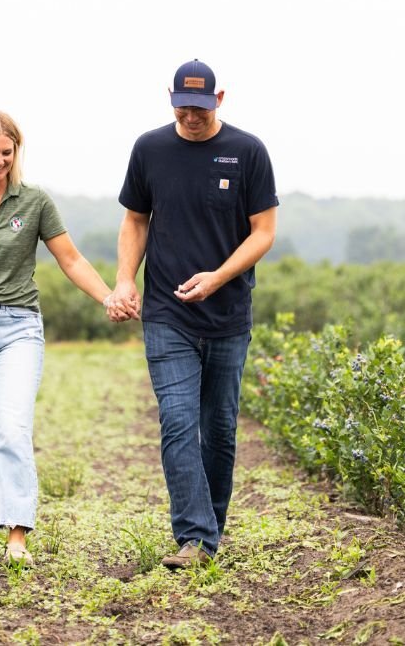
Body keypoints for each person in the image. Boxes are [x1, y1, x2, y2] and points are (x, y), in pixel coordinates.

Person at [0, 110, 131, 566]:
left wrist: (106, 297)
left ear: (16, 152)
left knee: (14, 427)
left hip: (19, 324)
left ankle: (17, 534)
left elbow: (71, 259)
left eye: (7, 153)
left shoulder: (35, 201)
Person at [107, 59, 278, 569]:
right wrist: (123, 280)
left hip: (228, 315)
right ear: (170, 98)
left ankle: (209, 532)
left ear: (219, 100)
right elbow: (136, 220)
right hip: (166, 312)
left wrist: (219, 277)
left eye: (201, 109)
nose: (191, 117)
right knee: (179, 422)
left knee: (219, 428)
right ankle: (196, 539)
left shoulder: (247, 152)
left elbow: (264, 232)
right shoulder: (150, 149)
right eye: (183, 107)